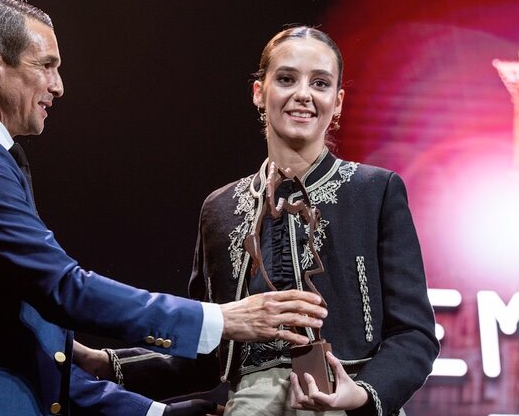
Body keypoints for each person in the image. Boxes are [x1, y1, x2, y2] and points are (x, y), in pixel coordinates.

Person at [0, 0, 331, 415]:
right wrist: (220, 319)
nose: (57, 86)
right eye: (47, 66)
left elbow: (23, 347)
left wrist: (159, 413)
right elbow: (65, 289)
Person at [76, 26, 440, 416]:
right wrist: (105, 361)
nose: (303, 94)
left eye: (320, 83)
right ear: (258, 92)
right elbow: (206, 353)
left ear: (337, 102)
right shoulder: (220, 208)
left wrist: (364, 394)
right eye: (286, 79)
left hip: (353, 401)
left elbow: (414, 334)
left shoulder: (375, 191)